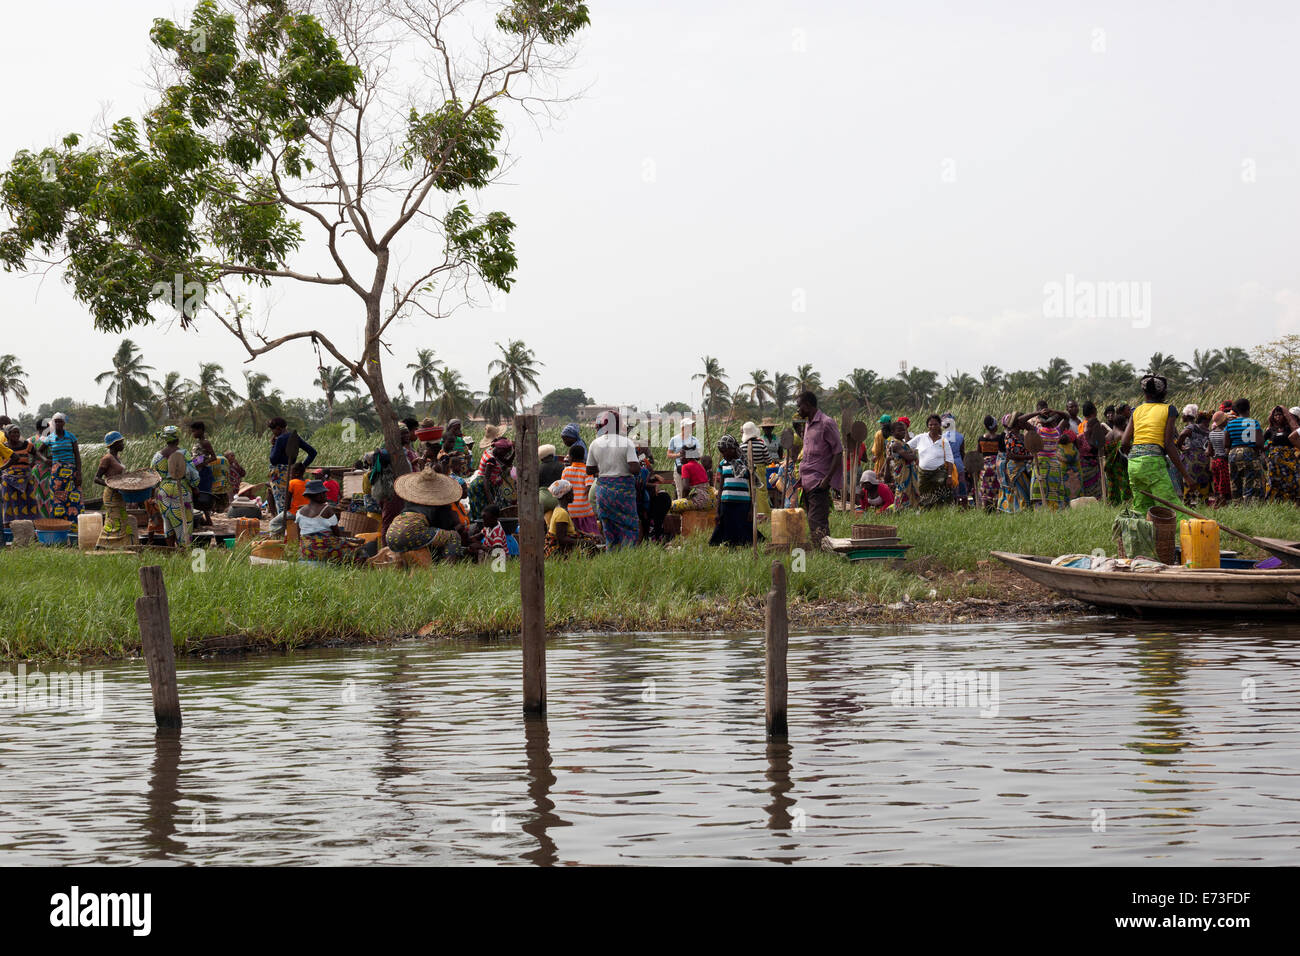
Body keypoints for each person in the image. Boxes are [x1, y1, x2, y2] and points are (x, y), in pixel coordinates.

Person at [1121, 375, 1188, 520]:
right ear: (1164, 393)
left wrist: (1136, 456)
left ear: (1144, 394)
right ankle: (1192, 536)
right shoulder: (1169, 409)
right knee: (1170, 509)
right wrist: (1187, 476)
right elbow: (1169, 445)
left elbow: (1124, 443)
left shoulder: (1137, 410)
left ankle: (1140, 539)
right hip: (1153, 463)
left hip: (1133, 463)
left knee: (1141, 508)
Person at [384, 469, 475, 560]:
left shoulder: (412, 501)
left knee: (435, 537)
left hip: (392, 534)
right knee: (453, 536)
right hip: (409, 533)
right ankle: (449, 570)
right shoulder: (439, 503)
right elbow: (444, 526)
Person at [587, 410, 641, 548]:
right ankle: (629, 557)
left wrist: (605, 468)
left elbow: (589, 470)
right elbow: (635, 469)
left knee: (609, 528)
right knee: (628, 525)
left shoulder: (595, 443)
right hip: (623, 491)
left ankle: (611, 555)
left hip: (603, 491)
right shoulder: (626, 442)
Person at [794, 391, 842, 543]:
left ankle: (823, 551)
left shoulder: (826, 423)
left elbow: (838, 451)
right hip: (807, 481)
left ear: (807, 405)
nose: (798, 410)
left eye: (799, 406)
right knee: (812, 519)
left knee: (817, 520)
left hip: (819, 480)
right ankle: (821, 548)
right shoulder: (808, 424)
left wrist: (827, 479)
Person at [151, 425, 199, 546]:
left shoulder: (157, 456)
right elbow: (192, 474)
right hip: (180, 490)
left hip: (163, 492)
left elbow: (152, 475)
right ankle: (184, 551)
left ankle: (170, 551)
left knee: (167, 522)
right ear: (177, 439)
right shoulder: (183, 453)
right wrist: (195, 486)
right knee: (184, 521)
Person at [295, 480, 365, 564]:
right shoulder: (326, 509)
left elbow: (299, 535)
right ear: (317, 495)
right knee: (359, 550)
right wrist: (349, 540)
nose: (326, 496)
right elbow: (337, 534)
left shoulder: (299, 512)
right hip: (324, 550)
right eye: (324, 493)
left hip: (306, 551)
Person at [268, 417, 317, 517]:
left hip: (279, 476)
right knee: (290, 503)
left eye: (273, 430)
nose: (273, 433)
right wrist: (302, 467)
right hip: (291, 472)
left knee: (281, 504)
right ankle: (291, 528)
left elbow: (273, 459)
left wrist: (274, 445)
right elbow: (313, 452)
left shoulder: (280, 439)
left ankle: (284, 529)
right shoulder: (294, 437)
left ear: (278, 428)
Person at [710, 435, 754, 546]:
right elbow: (721, 487)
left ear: (733, 449)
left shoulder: (745, 463)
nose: (723, 455)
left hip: (742, 503)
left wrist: (751, 509)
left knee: (743, 528)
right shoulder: (723, 464)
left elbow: (752, 486)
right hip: (726, 502)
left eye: (725, 451)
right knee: (725, 528)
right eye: (721, 452)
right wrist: (717, 510)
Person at [93, 431, 133, 549]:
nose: (123, 444)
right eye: (121, 442)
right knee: (113, 521)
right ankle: (100, 545)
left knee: (122, 520)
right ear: (114, 444)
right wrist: (110, 484)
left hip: (120, 494)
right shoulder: (107, 458)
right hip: (111, 495)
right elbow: (96, 478)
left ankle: (119, 546)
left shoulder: (117, 457)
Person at [907, 414, 956, 508]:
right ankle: (925, 513)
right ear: (927, 426)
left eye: (936, 424)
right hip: (923, 474)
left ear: (939, 425)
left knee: (942, 497)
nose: (933, 427)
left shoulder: (944, 440)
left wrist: (949, 476)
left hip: (939, 474)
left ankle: (942, 513)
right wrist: (913, 457)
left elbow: (950, 460)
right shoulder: (920, 438)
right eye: (930, 425)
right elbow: (906, 447)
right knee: (923, 495)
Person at [42, 412, 82, 522]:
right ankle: (58, 524)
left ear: (64, 423)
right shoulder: (50, 438)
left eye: (60, 421)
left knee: (72, 498)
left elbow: (77, 456)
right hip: (57, 473)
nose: (58, 423)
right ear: (53, 423)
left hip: (71, 471)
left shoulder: (71, 437)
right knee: (57, 498)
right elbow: (38, 452)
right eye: (56, 421)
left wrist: (79, 473)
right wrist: (45, 460)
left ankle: (73, 524)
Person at [1027, 405, 1069, 510]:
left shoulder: (1038, 431)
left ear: (1040, 422)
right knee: (1054, 495)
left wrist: (1037, 412)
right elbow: (1067, 417)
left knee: (1040, 495)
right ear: (1052, 421)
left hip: (1040, 466)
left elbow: (1020, 420)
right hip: (1054, 467)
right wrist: (1053, 410)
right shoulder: (1057, 432)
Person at [1224, 398, 1264, 502]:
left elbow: (1226, 444)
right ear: (1248, 409)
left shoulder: (1230, 424)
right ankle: (1250, 504)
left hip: (1233, 454)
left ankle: (1237, 503)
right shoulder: (1253, 422)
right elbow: (1259, 443)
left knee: (1235, 480)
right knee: (1251, 479)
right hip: (1249, 453)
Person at [466, 437, 514, 522]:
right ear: (500, 449)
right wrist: (490, 500)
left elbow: (507, 463)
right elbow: (486, 479)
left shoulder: (492, 451)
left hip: (485, 484)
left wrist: (514, 452)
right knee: (484, 512)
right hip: (481, 486)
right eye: (505, 452)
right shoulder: (491, 459)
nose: (506, 455)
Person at [0, 424, 39, 525]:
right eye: (13, 432)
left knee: (29, 502)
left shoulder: (26, 444)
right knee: (9, 503)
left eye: (17, 432)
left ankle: (30, 527)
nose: (16, 434)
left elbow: (36, 454)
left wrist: (32, 464)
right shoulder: (4, 446)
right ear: (8, 434)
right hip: (9, 479)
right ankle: (10, 526)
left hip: (25, 478)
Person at [1175, 407, 1212, 506]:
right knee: (1203, 484)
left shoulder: (1193, 427)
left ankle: (1188, 505)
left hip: (1191, 459)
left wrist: (1180, 446)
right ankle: (1202, 505)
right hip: (1204, 460)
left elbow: (1183, 434)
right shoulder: (1208, 431)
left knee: (1189, 483)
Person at [996, 413, 1033, 514]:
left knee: (1026, 492)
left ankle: (1024, 512)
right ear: (1017, 423)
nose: (1024, 423)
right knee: (1021, 493)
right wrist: (1029, 457)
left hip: (1024, 467)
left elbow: (1033, 430)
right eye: (1022, 421)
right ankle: (1022, 512)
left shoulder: (1021, 435)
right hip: (1016, 468)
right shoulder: (1010, 436)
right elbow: (1010, 455)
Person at [1263, 405, 1300, 503]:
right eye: (1275, 415)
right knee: (1274, 481)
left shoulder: (1289, 428)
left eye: (1280, 415)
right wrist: (1264, 456)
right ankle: (1274, 501)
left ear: (1284, 416)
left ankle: (1293, 501)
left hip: (1289, 460)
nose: (1278, 417)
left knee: (1292, 479)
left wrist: (1288, 415)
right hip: (1274, 461)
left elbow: (1296, 429)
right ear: (1272, 417)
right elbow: (1261, 443)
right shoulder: (1270, 430)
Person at [561, 443, 600, 536]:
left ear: (571, 457)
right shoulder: (587, 470)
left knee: (574, 535)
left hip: (570, 509)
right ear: (583, 456)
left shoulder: (566, 471)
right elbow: (589, 487)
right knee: (591, 534)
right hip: (584, 510)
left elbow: (563, 489)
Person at [1075, 402, 1105, 499]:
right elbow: (1094, 442)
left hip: (1083, 460)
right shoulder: (1094, 424)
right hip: (1091, 459)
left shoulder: (1081, 425)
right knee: (1095, 489)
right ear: (1094, 411)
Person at [1103, 404, 1131, 504]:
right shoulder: (1122, 435)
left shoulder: (1107, 436)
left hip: (1109, 464)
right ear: (1123, 424)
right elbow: (1126, 451)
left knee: (1112, 484)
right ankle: (1125, 502)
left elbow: (1105, 451)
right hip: (1120, 465)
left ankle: (1113, 503)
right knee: (1123, 484)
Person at [886, 419, 917, 509]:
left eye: (904, 430)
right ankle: (900, 510)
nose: (903, 432)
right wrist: (914, 455)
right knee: (902, 491)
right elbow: (908, 457)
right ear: (892, 432)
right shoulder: (895, 444)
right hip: (901, 472)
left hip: (906, 471)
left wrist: (912, 455)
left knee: (909, 490)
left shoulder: (901, 442)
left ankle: (910, 509)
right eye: (899, 430)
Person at [666, 418, 700, 498]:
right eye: (689, 426)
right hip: (679, 468)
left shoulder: (695, 440)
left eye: (692, 426)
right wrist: (678, 455)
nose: (691, 428)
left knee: (693, 492)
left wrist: (687, 454)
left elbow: (699, 455)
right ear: (683, 428)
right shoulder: (674, 439)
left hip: (692, 469)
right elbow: (669, 454)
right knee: (680, 492)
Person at [975, 415, 1003, 511]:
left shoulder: (981, 439)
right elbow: (1003, 452)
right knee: (997, 487)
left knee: (985, 488)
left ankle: (986, 508)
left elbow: (978, 454)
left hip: (985, 467)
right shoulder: (999, 438)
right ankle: (997, 507)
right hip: (996, 467)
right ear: (995, 426)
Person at [1208, 401, 1233, 504]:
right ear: (1223, 422)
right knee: (1224, 482)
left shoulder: (1211, 433)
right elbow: (1227, 448)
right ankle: (1223, 501)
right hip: (1223, 460)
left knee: (1217, 481)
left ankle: (1217, 499)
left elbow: (1210, 451)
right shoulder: (1225, 433)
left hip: (1215, 461)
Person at [940, 412, 966, 505]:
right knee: (961, 484)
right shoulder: (960, 436)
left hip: (947, 464)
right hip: (959, 463)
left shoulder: (941, 437)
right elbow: (962, 452)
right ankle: (964, 506)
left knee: (950, 486)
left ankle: (953, 504)